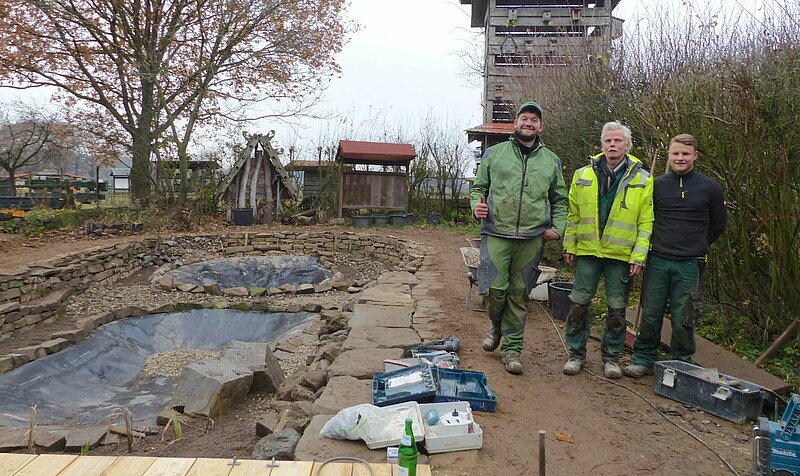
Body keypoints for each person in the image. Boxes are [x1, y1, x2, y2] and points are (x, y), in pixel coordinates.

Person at [470, 101, 568, 375]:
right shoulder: (494, 154)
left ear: (540, 126)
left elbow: (560, 199)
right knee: (493, 290)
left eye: (534, 120)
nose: (528, 123)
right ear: (516, 123)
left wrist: (558, 227)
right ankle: (497, 326)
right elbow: (478, 187)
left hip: (531, 238)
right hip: (495, 232)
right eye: (524, 118)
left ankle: (512, 350)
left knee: (519, 295)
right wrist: (475, 207)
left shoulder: (551, 160)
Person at [623, 134, 727, 378]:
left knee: (685, 317)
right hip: (658, 260)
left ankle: (682, 363)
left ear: (695, 156)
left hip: (691, 264)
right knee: (650, 313)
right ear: (669, 156)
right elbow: (645, 219)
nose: (680, 158)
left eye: (685, 154)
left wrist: (697, 244)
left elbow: (718, 224)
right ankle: (643, 359)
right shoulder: (656, 185)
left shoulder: (710, 187)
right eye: (676, 154)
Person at [562, 121, 654, 379]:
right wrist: (570, 244)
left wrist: (639, 256)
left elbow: (646, 222)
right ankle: (576, 354)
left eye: (618, 141)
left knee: (617, 310)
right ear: (601, 144)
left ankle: (611, 358)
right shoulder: (582, 175)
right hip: (588, 251)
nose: (612, 145)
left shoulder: (643, 179)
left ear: (627, 145)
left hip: (620, 255)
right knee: (578, 304)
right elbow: (573, 214)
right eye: (608, 141)